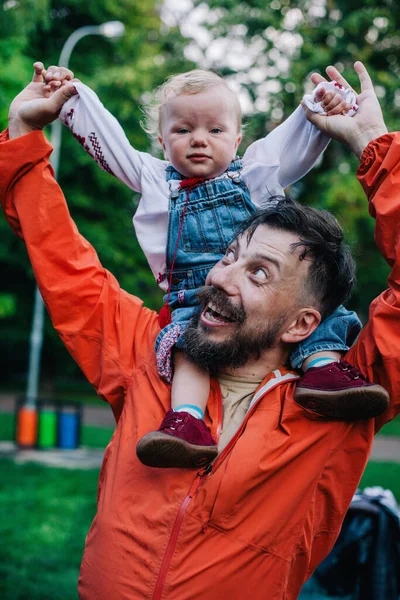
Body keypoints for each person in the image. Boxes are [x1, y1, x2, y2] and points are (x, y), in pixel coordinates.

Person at [2, 61, 399, 600]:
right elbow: (63, 261)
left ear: (305, 322)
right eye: (229, 255)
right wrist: (25, 135)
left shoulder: (346, 400)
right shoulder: (149, 356)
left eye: (258, 272)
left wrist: (374, 144)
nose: (218, 275)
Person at [33, 63, 388, 469]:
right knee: (187, 348)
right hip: (195, 298)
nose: (199, 139)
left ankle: (323, 369)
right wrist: (73, 99)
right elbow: (112, 146)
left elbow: (294, 139)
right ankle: (186, 419)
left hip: (268, 297)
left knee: (315, 308)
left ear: (237, 138)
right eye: (183, 130)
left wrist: (321, 104)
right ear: (163, 143)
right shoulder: (155, 180)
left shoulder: (253, 172)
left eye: (215, 130)